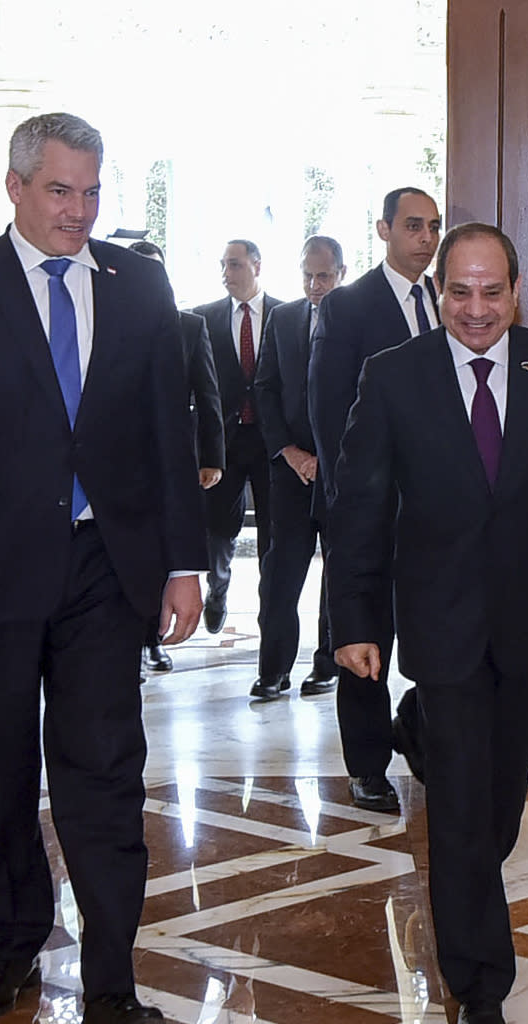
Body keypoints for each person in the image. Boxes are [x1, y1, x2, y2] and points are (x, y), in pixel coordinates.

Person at [0, 112, 207, 1024]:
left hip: (105, 567)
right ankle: (14, 943)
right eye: (60, 190)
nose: (78, 210)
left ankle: (112, 983)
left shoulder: (139, 283)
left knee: (105, 774)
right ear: (18, 186)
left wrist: (183, 564)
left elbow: (169, 432)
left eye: (92, 191)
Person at [326, 221, 528, 1024]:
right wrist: (356, 621)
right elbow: (357, 509)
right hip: (441, 624)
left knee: (498, 805)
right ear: (439, 294)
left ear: (515, 291)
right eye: (458, 292)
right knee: (463, 812)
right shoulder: (393, 379)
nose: (475, 308)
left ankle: (419, 747)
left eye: (490, 291)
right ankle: (479, 984)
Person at [308, 186, 441, 813]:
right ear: (383, 229)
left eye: (434, 226)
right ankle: (366, 765)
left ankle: (418, 734)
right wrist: (347, 506)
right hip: (366, 507)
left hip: (434, 509)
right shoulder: (348, 306)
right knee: (362, 637)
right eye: (413, 225)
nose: (426, 237)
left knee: (435, 629)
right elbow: (328, 412)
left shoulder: (446, 300)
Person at [250, 235, 346, 700]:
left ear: (341, 274)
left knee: (340, 573)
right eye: (307, 275)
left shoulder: (355, 320)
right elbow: (265, 389)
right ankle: (273, 669)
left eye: (323, 276)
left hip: (342, 472)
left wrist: (330, 459)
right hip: (289, 472)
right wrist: (288, 452)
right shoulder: (283, 318)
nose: (314, 285)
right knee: (280, 574)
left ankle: (327, 663)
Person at [129, 238, 225, 673]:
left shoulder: (188, 327)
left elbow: (208, 395)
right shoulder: (110, 323)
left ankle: (153, 638)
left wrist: (212, 458)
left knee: (162, 552)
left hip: (172, 460)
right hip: (121, 465)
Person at [193, 242, 282, 634]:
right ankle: (218, 588)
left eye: (234, 264)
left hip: (271, 441)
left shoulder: (285, 314)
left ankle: (271, 606)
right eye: (223, 265)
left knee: (274, 528)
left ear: (256, 266)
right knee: (218, 529)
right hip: (222, 443)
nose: (227, 273)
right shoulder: (203, 318)